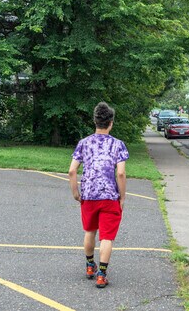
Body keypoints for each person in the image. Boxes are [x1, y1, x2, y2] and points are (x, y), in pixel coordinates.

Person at [68, 102, 128, 288]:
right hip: (110, 197)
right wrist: (122, 197)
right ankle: (102, 274)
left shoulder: (84, 143)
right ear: (111, 123)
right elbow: (120, 173)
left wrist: (76, 192)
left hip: (89, 195)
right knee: (107, 237)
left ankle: (89, 266)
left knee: (89, 231)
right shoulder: (118, 145)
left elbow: (72, 171)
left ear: (95, 121)